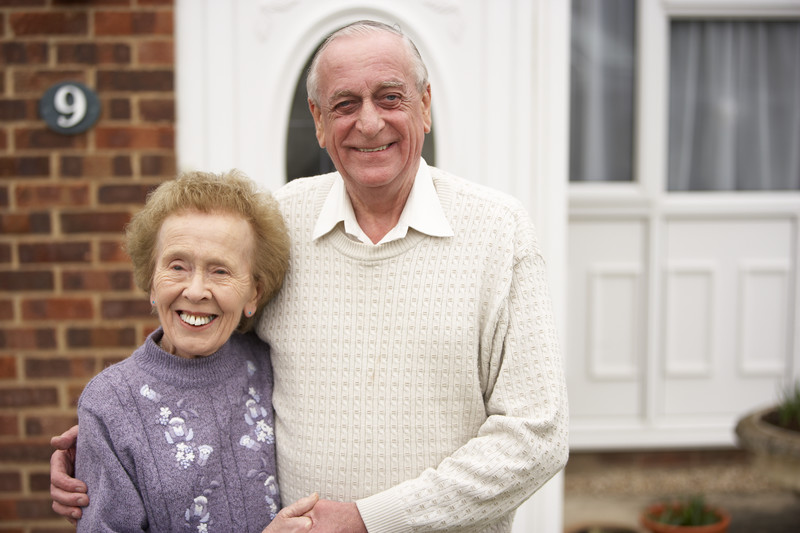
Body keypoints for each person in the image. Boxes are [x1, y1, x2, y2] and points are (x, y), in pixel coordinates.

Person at [51, 20, 569, 533]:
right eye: (345, 104)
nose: (368, 123)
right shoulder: (281, 223)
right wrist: (120, 431)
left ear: (425, 106)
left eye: (390, 98)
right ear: (319, 121)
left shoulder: (498, 231)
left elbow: (536, 436)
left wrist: (369, 520)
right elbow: (209, 338)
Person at [69, 169, 318, 532]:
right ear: (151, 280)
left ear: (254, 294)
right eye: (177, 266)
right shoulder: (109, 402)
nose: (196, 290)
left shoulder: (272, 364)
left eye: (220, 271)